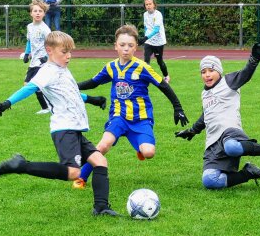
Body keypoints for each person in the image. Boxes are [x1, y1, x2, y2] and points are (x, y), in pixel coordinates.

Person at [0, 31, 118, 216]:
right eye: (64, 52)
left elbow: (70, 93)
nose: (68, 56)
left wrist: (92, 99)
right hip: (64, 129)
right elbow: (30, 88)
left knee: (100, 161)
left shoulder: (62, 69)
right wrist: (7, 103)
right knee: (74, 173)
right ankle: (21, 166)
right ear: (49, 50)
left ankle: (101, 207)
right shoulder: (48, 71)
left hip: (74, 129)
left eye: (70, 52)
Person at [72, 24, 189, 189]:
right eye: (122, 45)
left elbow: (163, 85)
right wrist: (73, 86)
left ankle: (140, 147)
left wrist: (178, 108)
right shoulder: (111, 67)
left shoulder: (143, 67)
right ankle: (81, 178)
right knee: (104, 145)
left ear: (136, 48)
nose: (126, 49)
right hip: (118, 116)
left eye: (130, 45)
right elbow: (93, 82)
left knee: (149, 153)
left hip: (141, 119)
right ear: (115, 46)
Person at [175, 41, 260, 190]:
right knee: (209, 180)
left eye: (211, 70)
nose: (207, 74)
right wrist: (192, 130)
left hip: (229, 132)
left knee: (232, 147)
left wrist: (254, 59)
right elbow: (206, 115)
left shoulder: (228, 82)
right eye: (203, 72)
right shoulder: (205, 93)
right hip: (213, 143)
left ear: (219, 71)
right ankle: (248, 173)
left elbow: (245, 74)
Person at [22, 0, 51, 114]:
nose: (37, 13)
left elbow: (51, 44)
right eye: (35, 11)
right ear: (31, 13)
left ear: (44, 14)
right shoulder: (29, 27)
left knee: (31, 84)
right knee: (29, 84)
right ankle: (46, 106)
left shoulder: (45, 29)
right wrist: (26, 53)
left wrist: (47, 57)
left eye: (40, 11)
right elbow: (29, 41)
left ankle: (46, 107)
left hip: (42, 62)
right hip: (33, 61)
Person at [138, 0, 170, 83]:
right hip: (149, 41)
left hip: (158, 42)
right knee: (146, 60)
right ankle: (146, 78)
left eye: (150, 4)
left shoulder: (158, 14)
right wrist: (145, 38)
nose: (148, 6)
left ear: (154, 5)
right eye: (146, 4)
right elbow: (146, 27)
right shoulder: (145, 15)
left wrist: (144, 38)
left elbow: (156, 30)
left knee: (159, 61)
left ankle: (166, 76)